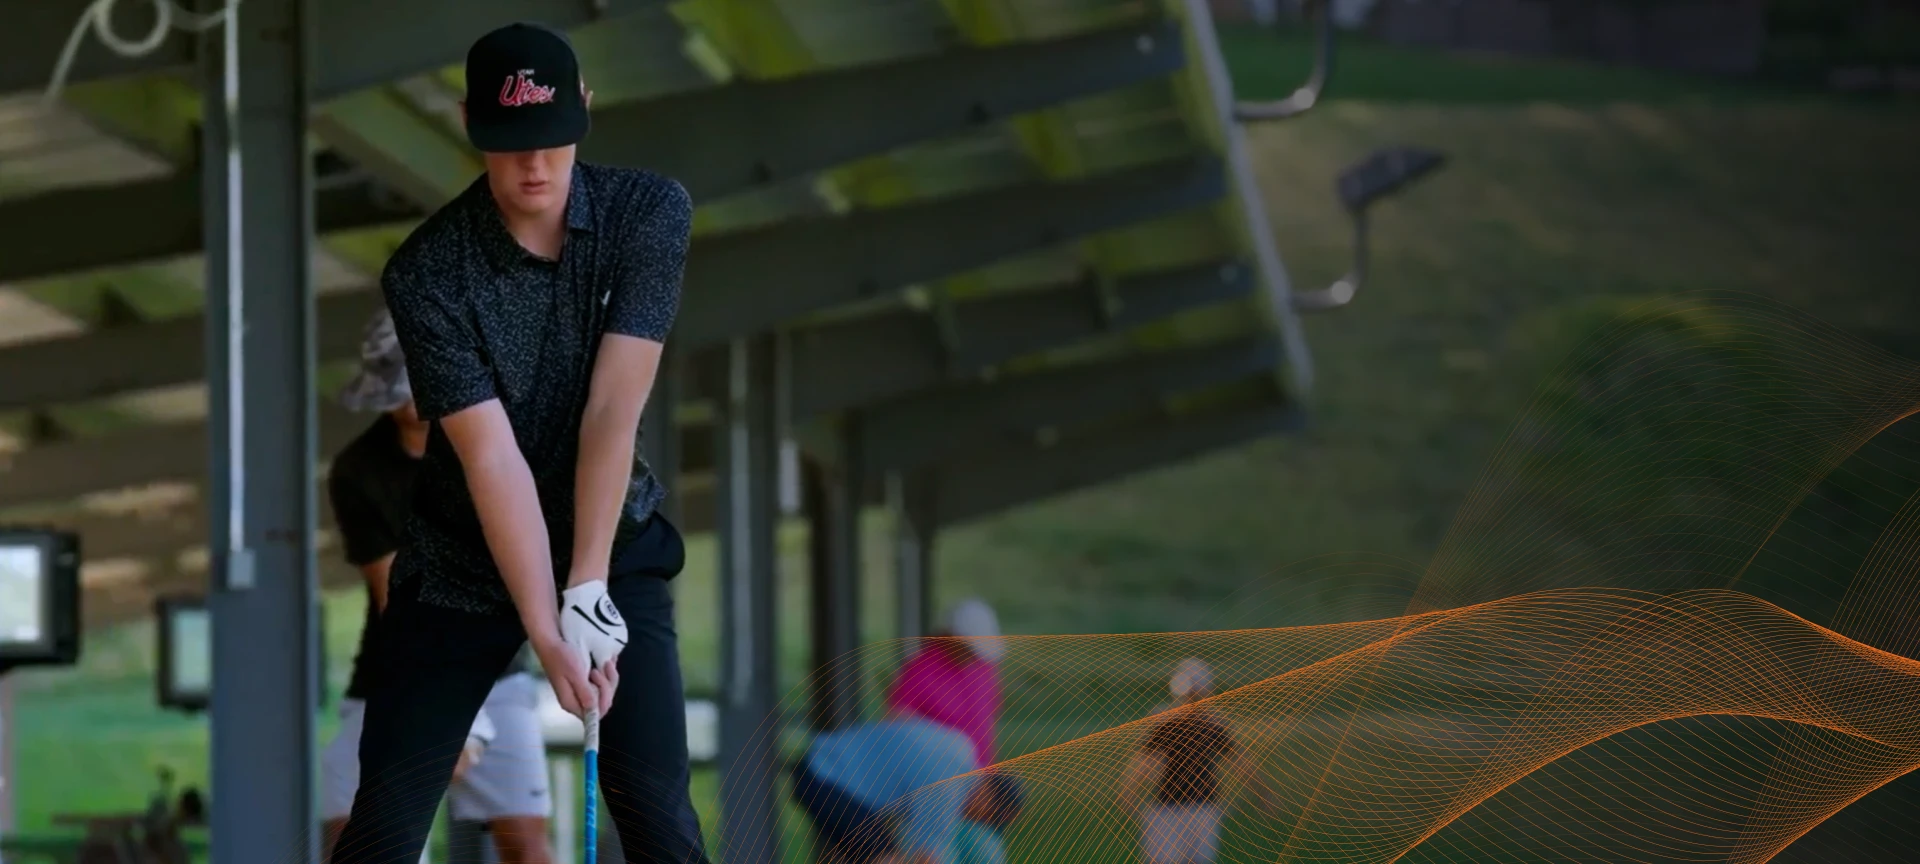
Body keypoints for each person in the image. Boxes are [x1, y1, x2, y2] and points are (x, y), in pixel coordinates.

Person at [329, 21, 705, 864]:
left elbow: (613, 407)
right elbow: (490, 455)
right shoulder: (427, 274)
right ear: (468, 123)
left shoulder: (648, 213)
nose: (534, 167)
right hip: (462, 561)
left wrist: (590, 583)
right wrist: (545, 622)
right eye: (508, 145)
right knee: (382, 831)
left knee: (657, 816)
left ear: (583, 111)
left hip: (612, 542)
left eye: (551, 141)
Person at [319, 310, 556, 864]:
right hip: (398, 671)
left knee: (527, 845)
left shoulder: (499, 444)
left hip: (497, 668)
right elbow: (394, 596)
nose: (405, 407)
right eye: (392, 394)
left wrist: (469, 710)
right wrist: (441, 710)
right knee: (354, 843)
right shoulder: (359, 469)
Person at [791, 718, 980, 864]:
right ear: (987, 802)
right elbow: (926, 856)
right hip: (824, 778)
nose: (975, 821)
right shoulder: (949, 790)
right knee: (886, 856)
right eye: (987, 818)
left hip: (824, 760)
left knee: (883, 850)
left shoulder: (962, 747)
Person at [1117, 658, 1242, 864]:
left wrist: (1128, 794)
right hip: (1186, 806)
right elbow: (1145, 764)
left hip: (1183, 807)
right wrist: (1128, 794)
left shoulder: (1173, 722)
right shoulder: (1208, 723)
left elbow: (1144, 765)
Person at [886, 599, 1005, 768]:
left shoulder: (985, 665)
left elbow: (989, 717)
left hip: (981, 772)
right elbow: (897, 723)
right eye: (970, 650)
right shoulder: (919, 669)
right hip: (940, 774)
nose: (975, 658)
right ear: (952, 637)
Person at [949, 772, 1024, 864]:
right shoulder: (991, 843)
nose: (971, 792)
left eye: (982, 792)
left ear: (994, 809)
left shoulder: (971, 835)